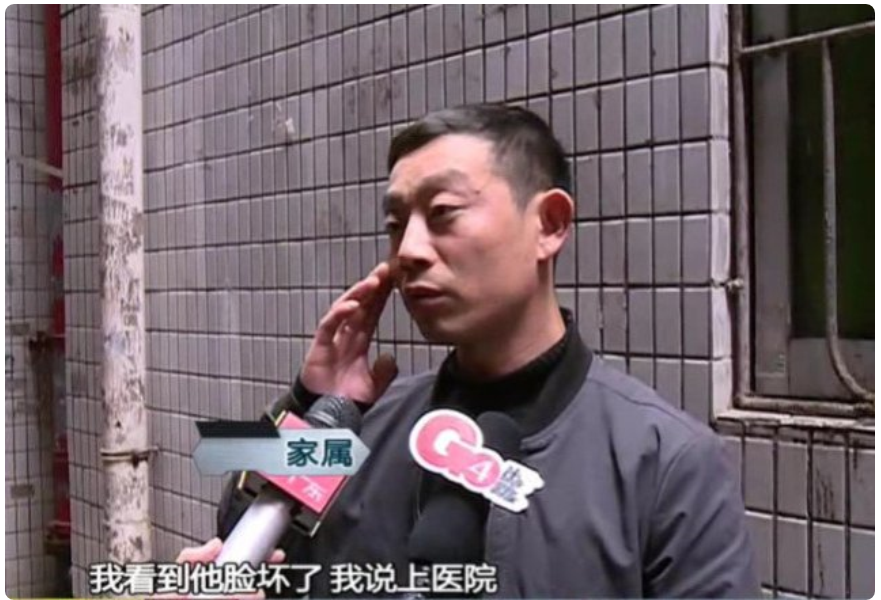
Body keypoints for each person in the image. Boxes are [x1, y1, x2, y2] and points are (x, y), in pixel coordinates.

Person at [180, 104, 760, 598]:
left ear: (550, 224)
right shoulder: (363, 427)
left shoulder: (667, 465)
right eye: (396, 223)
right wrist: (311, 406)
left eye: (443, 214)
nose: (408, 250)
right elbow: (243, 539)